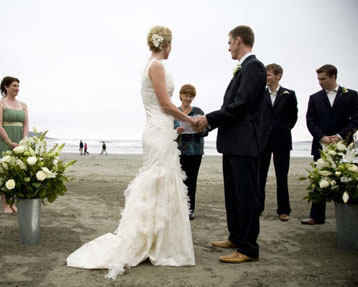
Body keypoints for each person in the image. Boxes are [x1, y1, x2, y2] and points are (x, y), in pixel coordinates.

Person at [67, 25, 196, 279]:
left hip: (158, 129)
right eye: (171, 45)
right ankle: (156, 243)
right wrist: (190, 120)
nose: (171, 49)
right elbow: (165, 104)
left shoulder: (150, 65)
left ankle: (158, 240)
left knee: (161, 180)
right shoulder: (156, 66)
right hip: (158, 129)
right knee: (159, 179)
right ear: (166, 44)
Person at [195, 25, 266, 263]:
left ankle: (248, 248)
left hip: (245, 144)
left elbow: (241, 105)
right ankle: (236, 236)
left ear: (238, 40)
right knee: (233, 195)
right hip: (233, 143)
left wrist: (209, 119)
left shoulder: (254, 67)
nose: (228, 48)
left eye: (229, 43)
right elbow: (233, 106)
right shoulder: (243, 69)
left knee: (246, 196)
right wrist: (210, 123)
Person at [301, 64, 358, 225]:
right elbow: (310, 120)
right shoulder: (315, 98)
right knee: (319, 179)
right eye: (318, 79)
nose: (320, 82)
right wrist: (322, 137)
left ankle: (349, 215)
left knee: (347, 178)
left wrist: (340, 136)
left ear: (333, 77)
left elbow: (356, 119)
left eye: (323, 79)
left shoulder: (351, 95)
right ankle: (316, 216)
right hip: (321, 144)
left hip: (345, 145)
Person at [259, 64, 298, 221]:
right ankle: (257, 207)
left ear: (278, 75)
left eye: (268, 75)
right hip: (263, 141)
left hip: (282, 141)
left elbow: (293, 117)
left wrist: (281, 130)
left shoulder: (289, 94)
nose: (266, 78)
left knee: (282, 176)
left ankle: (284, 210)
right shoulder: (260, 94)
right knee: (259, 175)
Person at [0, 76, 28, 214]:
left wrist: (24, 139)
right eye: (14, 85)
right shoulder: (0, 103)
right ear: (6, 87)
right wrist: (8, 141)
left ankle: (13, 203)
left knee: (18, 172)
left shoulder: (23, 105)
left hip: (20, 140)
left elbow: (26, 124)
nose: (17, 88)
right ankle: (6, 205)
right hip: (5, 139)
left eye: (18, 86)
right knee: (4, 171)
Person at [174, 84, 208, 220]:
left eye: (191, 96)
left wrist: (199, 128)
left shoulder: (198, 111)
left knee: (192, 181)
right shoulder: (175, 111)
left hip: (195, 151)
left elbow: (206, 129)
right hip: (178, 151)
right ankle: (178, 209)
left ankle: (190, 210)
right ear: (181, 95)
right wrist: (176, 131)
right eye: (186, 95)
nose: (188, 98)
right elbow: (167, 130)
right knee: (179, 181)